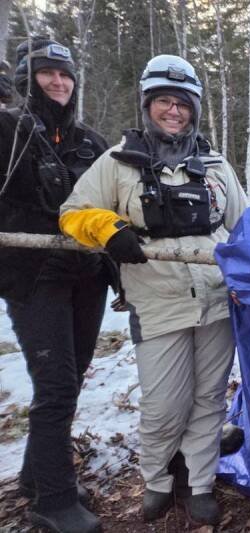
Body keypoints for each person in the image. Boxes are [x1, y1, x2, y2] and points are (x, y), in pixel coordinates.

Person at [58, 54, 248, 526]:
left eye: (182, 104)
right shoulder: (117, 163)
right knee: (164, 405)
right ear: (147, 105)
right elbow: (71, 213)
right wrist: (106, 227)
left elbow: (248, 227)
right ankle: (158, 479)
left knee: (209, 399)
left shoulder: (216, 165)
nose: (173, 112)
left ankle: (200, 482)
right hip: (157, 303)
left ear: (194, 111)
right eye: (164, 101)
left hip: (216, 300)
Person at [0, 38, 110, 533]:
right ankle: (55, 500)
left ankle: (36, 476)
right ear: (27, 78)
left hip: (87, 278)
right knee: (57, 384)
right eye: (47, 73)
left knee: (72, 376)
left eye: (65, 74)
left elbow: (111, 204)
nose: (58, 82)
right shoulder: (10, 130)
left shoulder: (90, 140)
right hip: (33, 276)